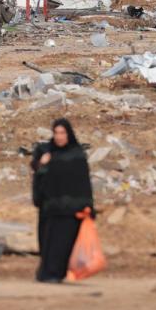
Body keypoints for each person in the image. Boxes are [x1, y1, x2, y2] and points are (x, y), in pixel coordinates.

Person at [31, 118, 94, 283]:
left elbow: (83, 183)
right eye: (56, 133)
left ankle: (58, 274)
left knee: (64, 244)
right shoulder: (48, 154)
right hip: (52, 209)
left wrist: (88, 206)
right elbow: (40, 179)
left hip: (72, 210)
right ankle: (47, 274)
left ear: (68, 134)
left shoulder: (77, 154)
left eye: (62, 133)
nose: (59, 137)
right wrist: (42, 165)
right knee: (48, 243)